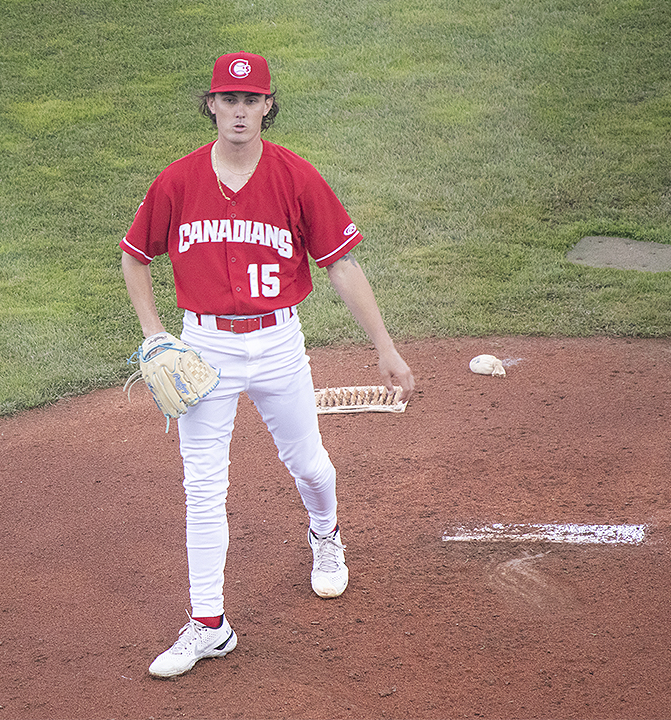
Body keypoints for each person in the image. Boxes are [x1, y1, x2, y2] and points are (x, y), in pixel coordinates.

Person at [120, 52, 415, 678]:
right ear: (211, 105)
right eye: (228, 100)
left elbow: (342, 264)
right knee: (202, 485)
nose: (240, 112)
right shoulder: (177, 181)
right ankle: (208, 624)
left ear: (267, 106)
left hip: (279, 343)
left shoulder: (295, 178)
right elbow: (135, 256)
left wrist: (385, 347)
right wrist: (154, 337)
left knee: (308, 465)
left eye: (251, 100)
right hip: (204, 348)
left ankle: (325, 532)